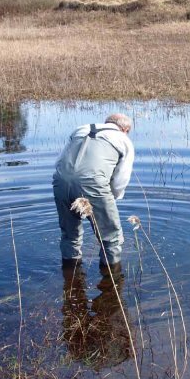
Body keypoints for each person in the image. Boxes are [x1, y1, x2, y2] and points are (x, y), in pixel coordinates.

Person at [53, 113, 134, 267]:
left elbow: (59, 161)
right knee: (111, 239)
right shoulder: (123, 140)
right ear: (125, 129)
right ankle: (112, 281)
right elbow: (120, 179)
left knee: (70, 236)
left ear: (107, 123)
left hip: (60, 182)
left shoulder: (80, 130)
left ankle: (70, 277)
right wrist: (110, 199)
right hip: (93, 184)